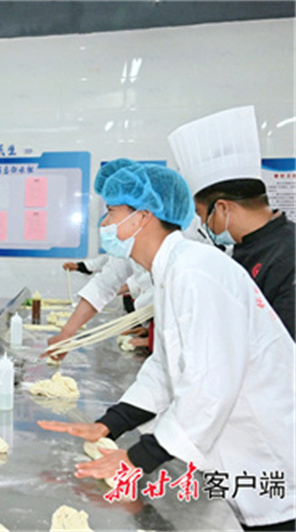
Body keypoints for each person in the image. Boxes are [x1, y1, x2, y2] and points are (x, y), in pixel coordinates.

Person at [38, 159, 295, 530]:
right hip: (246, 458)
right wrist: (111, 424)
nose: (105, 223)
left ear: (142, 217)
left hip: (270, 460)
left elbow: (211, 385)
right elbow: (166, 367)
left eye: (112, 212)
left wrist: (138, 458)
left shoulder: (196, 273)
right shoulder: (174, 270)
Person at [169, 105, 295, 338]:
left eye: (201, 214)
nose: (203, 224)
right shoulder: (245, 248)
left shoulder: (288, 255)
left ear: (222, 208)